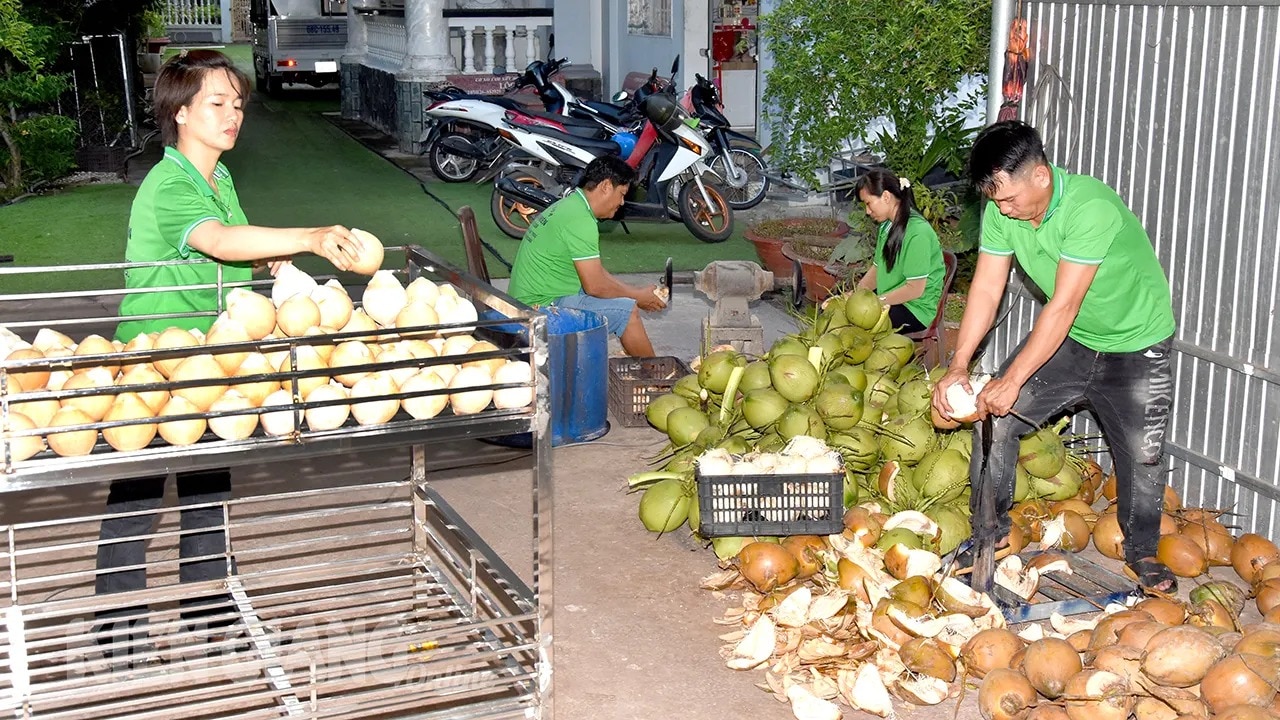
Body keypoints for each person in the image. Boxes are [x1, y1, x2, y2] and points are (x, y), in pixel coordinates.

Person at [97, 49, 368, 666]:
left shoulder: (218, 180)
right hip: (157, 361)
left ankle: (209, 613)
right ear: (181, 112)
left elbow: (232, 249)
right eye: (218, 103)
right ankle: (117, 633)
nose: (233, 114)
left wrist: (273, 260)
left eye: (238, 104)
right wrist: (307, 237)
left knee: (207, 486)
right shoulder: (168, 183)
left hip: (212, 355)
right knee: (137, 494)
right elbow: (215, 240)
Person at [932, 121, 1177, 591]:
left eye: (1007, 197)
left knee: (1143, 455)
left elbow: (1063, 304)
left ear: (1040, 175)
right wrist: (959, 364)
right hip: (1074, 341)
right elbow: (986, 287)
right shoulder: (1004, 212)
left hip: (1136, 345)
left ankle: (1143, 552)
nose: (1002, 209)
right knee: (996, 421)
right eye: (994, 200)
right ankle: (989, 535)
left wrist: (1015, 377)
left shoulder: (1091, 207)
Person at [507, 155, 666, 356]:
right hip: (538, 311)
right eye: (622, 194)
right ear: (606, 186)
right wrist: (637, 297)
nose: (622, 202)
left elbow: (595, 273)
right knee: (627, 312)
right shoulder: (580, 219)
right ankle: (657, 378)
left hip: (533, 301)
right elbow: (596, 286)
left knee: (621, 302)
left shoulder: (571, 206)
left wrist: (636, 291)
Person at [854, 169, 946, 333]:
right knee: (839, 308)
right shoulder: (886, 226)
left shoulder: (918, 233)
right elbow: (877, 269)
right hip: (890, 299)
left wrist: (874, 302)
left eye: (868, 203)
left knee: (858, 325)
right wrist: (855, 296)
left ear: (886, 197)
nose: (867, 211)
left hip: (916, 309)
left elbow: (914, 289)